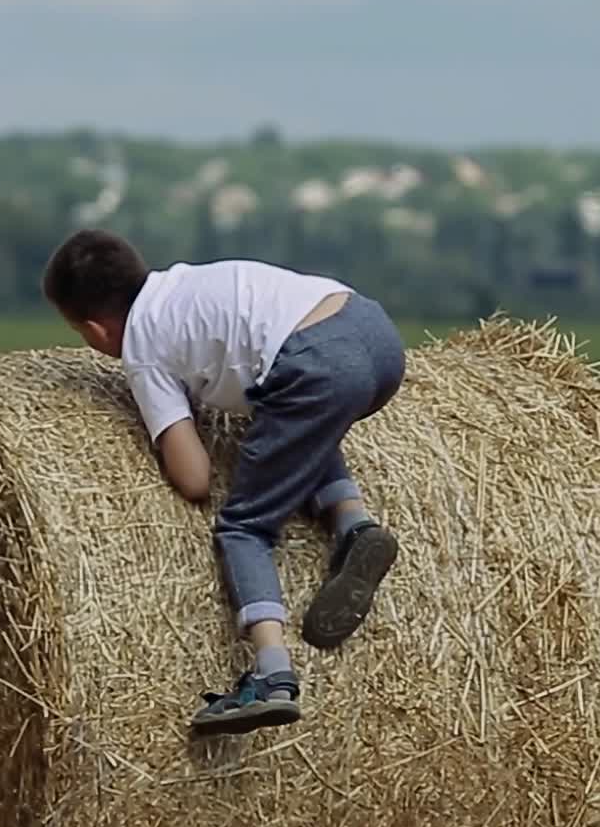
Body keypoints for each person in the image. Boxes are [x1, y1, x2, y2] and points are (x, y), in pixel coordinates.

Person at [42, 228, 405, 737]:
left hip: (317, 364)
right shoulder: (181, 284)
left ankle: (272, 674)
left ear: (96, 331)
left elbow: (195, 478)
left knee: (242, 526)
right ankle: (355, 525)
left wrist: (165, 439)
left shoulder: (141, 348)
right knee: (295, 425)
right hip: (373, 333)